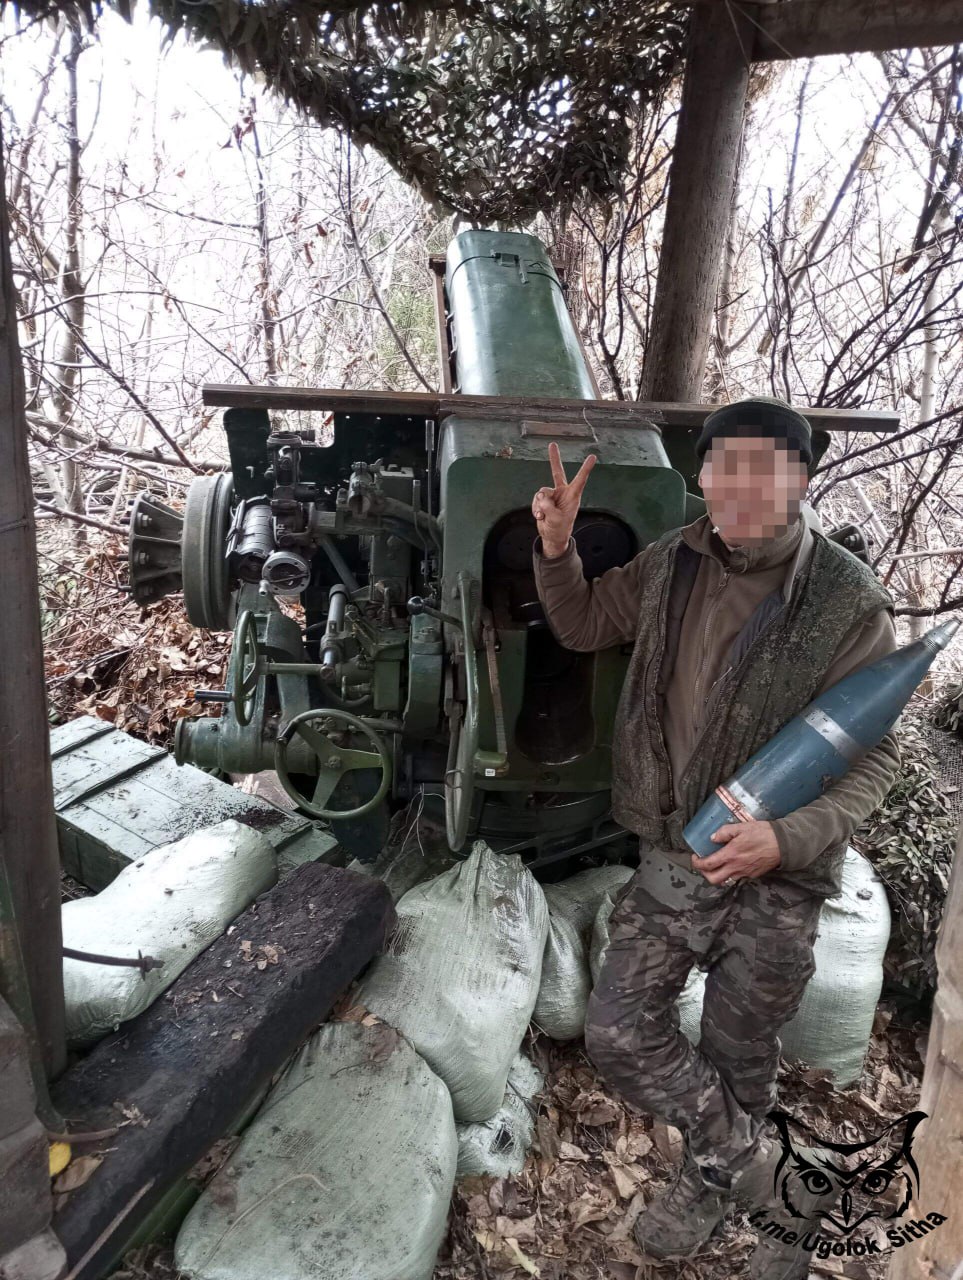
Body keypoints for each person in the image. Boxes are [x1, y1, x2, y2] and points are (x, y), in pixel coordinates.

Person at [530, 396, 900, 1279]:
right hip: (674, 851)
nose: (736, 486)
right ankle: (761, 1171)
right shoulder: (673, 563)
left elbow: (874, 761)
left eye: (760, 467)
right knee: (618, 1032)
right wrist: (556, 549)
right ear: (699, 479)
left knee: (741, 1049)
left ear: (799, 478)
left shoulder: (849, 600)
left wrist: (786, 839)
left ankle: (709, 1187)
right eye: (719, 466)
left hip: (779, 873)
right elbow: (583, 624)